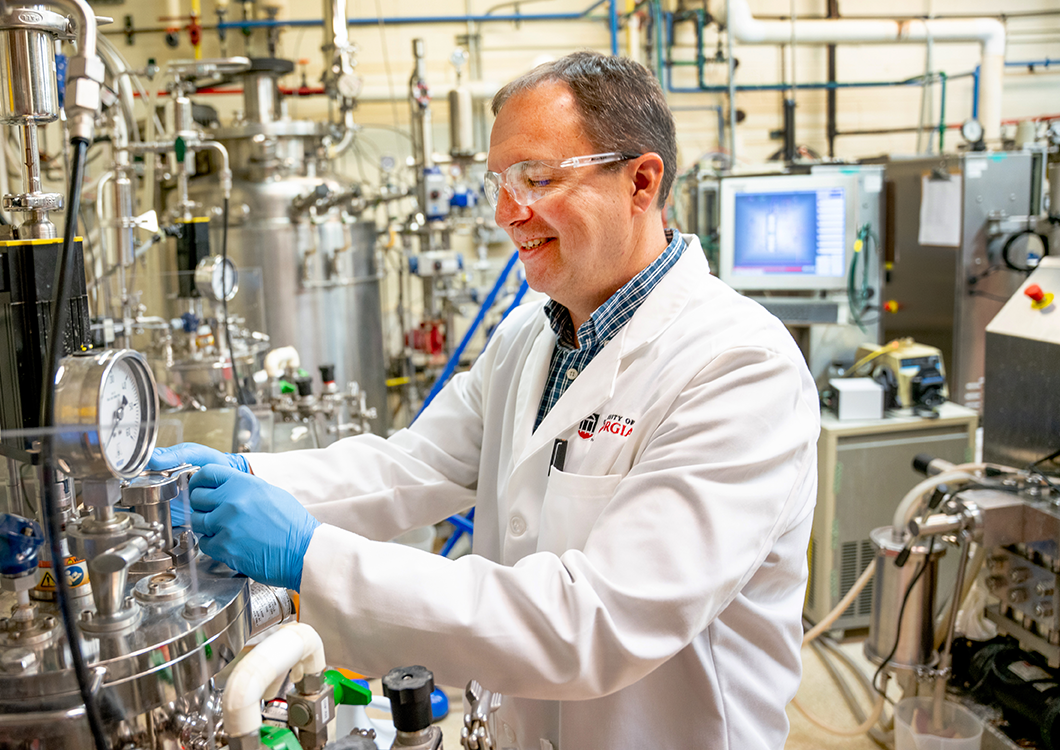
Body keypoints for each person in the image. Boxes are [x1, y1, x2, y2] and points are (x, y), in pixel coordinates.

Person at [151, 51, 819, 749]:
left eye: (536, 178)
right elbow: (412, 465)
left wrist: (309, 556)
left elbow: (593, 622)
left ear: (641, 182)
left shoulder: (741, 367)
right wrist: (243, 479)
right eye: (500, 182)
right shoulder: (532, 335)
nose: (507, 213)